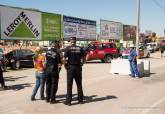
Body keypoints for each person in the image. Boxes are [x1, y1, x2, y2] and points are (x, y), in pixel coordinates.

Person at [64, 37, 85, 106]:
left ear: (70, 41)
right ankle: (80, 100)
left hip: (70, 68)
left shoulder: (68, 48)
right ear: (75, 41)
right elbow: (84, 57)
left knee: (69, 85)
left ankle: (68, 101)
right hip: (78, 68)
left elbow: (64, 59)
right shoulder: (80, 48)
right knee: (79, 85)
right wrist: (82, 63)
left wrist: (65, 66)